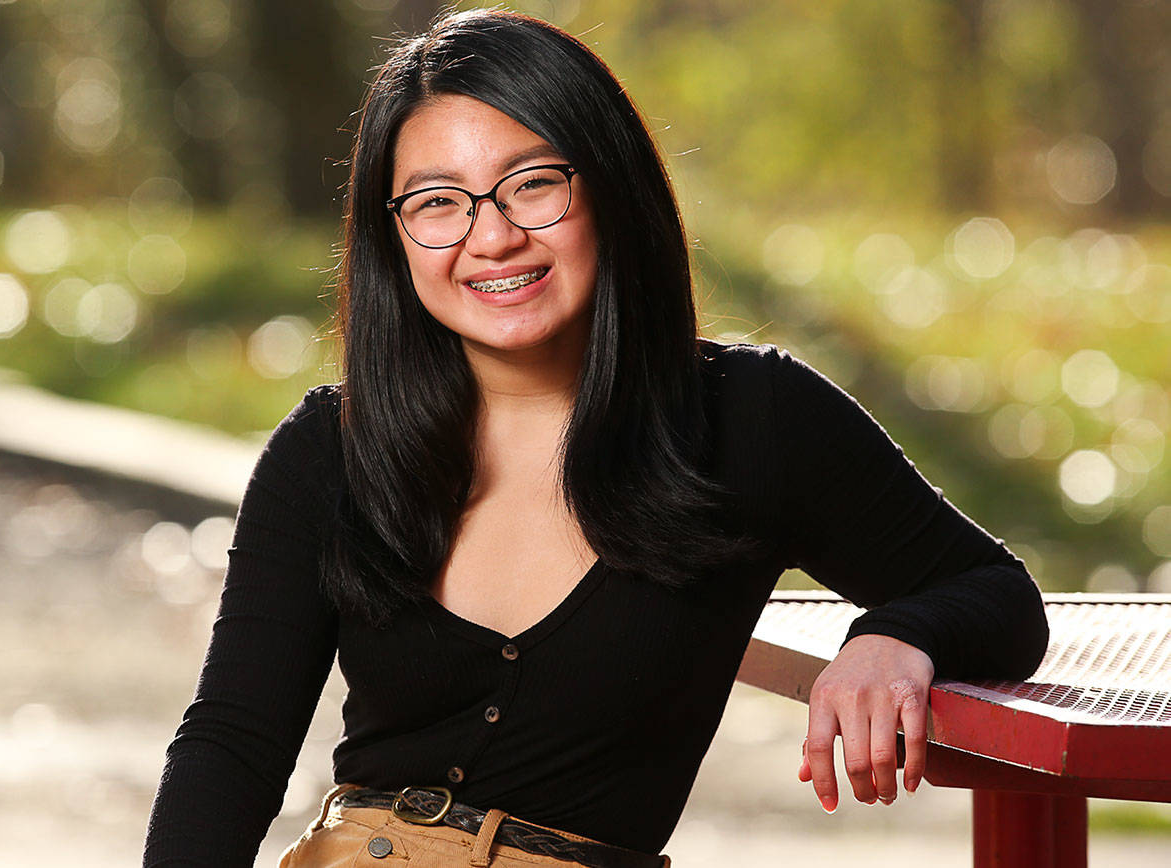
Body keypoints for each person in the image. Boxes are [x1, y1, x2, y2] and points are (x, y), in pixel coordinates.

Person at [143, 9, 1049, 867]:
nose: (489, 236)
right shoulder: (330, 448)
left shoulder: (751, 417)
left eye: (533, 184)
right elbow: (234, 742)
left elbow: (995, 593)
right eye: (436, 203)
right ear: (394, 237)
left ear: (610, 188)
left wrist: (895, 638)